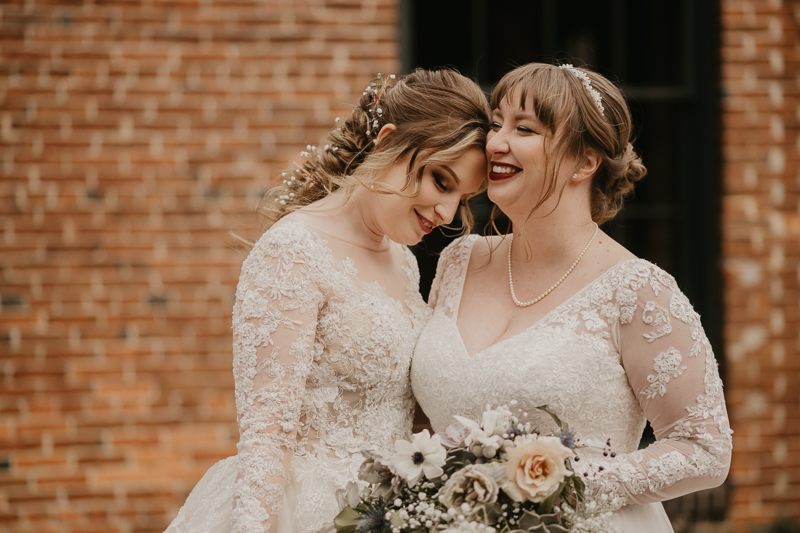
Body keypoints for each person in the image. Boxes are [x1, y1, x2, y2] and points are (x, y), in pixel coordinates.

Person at [164, 69, 490, 533]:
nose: (447, 213)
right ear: (388, 141)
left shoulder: (403, 260)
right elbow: (268, 436)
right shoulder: (292, 250)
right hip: (307, 514)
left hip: (388, 512)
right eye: (442, 180)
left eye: (463, 197)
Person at [410, 62, 732, 532]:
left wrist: (541, 488)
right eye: (495, 123)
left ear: (585, 160)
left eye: (524, 129)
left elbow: (704, 448)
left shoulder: (637, 290)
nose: (496, 142)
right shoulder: (459, 259)